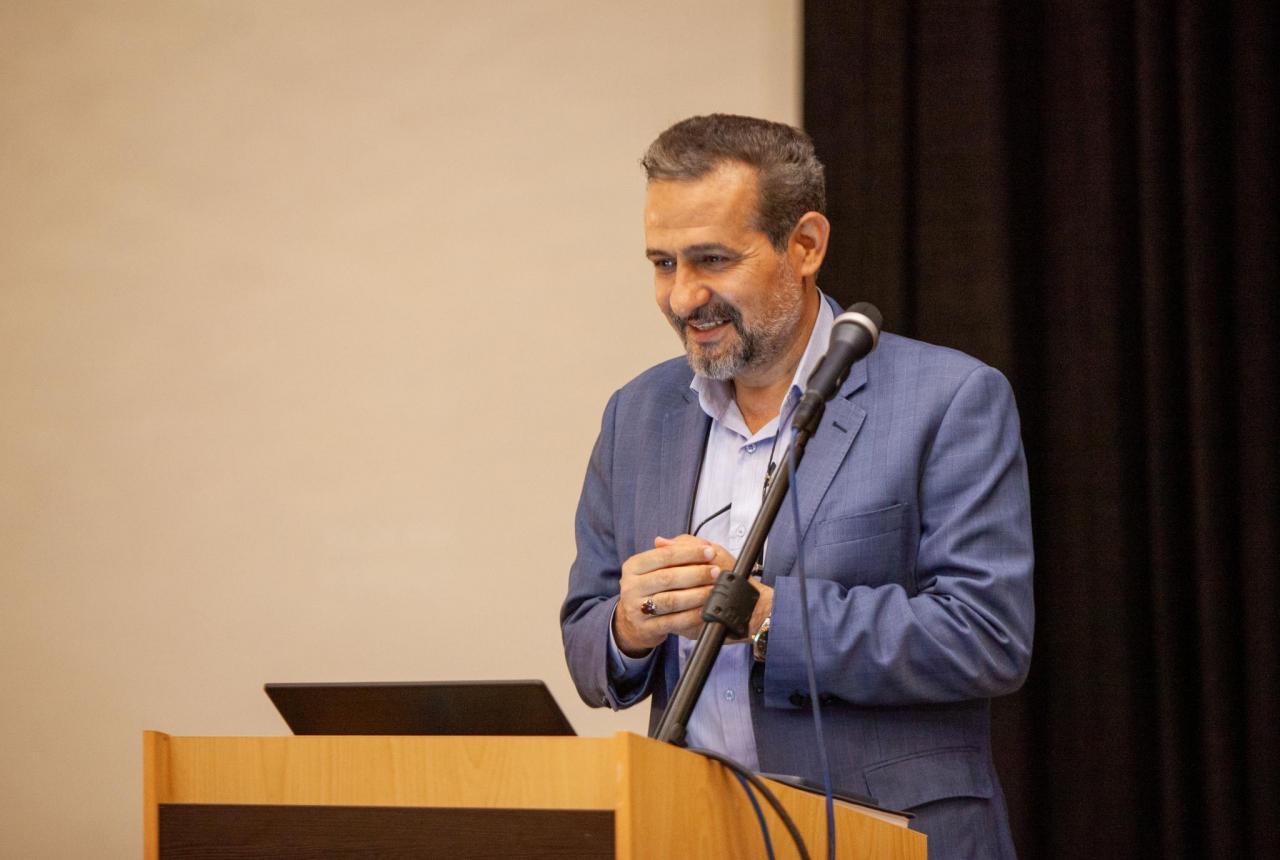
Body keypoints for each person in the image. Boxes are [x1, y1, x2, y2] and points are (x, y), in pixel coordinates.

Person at [560, 114, 1034, 858]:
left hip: (890, 838)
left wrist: (764, 618)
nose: (682, 297)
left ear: (806, 245)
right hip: (688, 835)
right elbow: (588, 640)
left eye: (713, 259)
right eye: (663, 263)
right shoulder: (637, 415)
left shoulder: (950, 399)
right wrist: (629, 624)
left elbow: (985, 636)